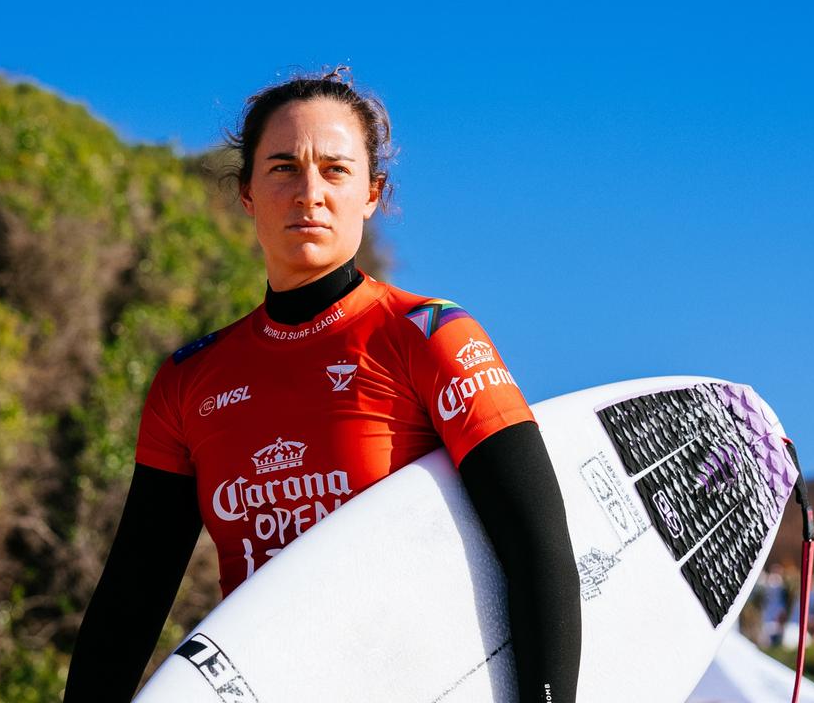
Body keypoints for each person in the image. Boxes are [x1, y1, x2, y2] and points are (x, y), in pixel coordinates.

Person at [64, 69, 581, 702]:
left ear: (372, 192)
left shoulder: (429, 334)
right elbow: (130, 601)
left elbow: (537, 548)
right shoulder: (188, 382)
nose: (309, 191)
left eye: (335, 170)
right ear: (248, 193)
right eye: (282, 167)